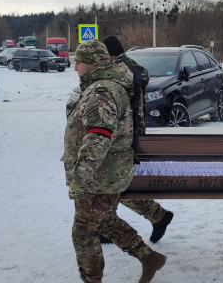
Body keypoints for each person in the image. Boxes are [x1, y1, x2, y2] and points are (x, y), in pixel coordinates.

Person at [62, 40, 166, 283]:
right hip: (106, 172)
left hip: (99, 175)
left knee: (84, 233)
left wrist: (80, 176)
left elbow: (100, 136)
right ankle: (147, 256)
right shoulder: (106, 85)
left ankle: (94, 279)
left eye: (79, 62)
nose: (75, 67)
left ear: (91, 64)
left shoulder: (102, 91)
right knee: (102, 221)